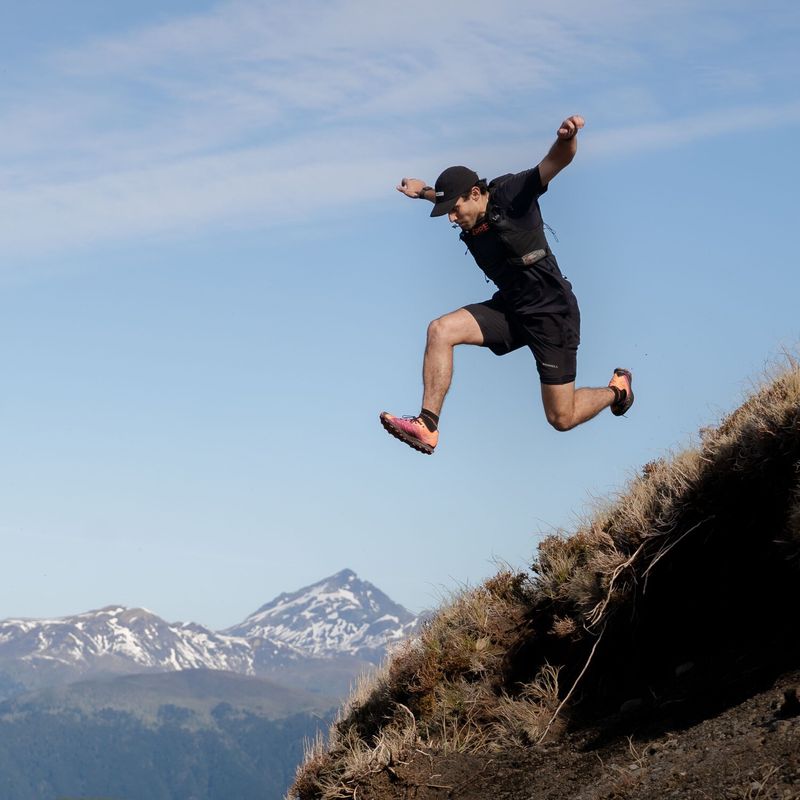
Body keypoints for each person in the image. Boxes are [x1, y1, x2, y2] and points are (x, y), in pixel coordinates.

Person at [379, 115, 633, 455]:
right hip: (512, 308)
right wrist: (423, 191)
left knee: (561, 416)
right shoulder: (465, 203)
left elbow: (558, 160)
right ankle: (427, 425)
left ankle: (618, 391)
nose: (453, 219)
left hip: (551, 314)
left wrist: (566, 138)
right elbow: (441, 197)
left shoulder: (513, 193)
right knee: (440, 330)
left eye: (454, 210)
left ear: (475, 193)